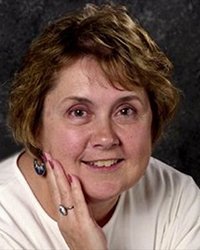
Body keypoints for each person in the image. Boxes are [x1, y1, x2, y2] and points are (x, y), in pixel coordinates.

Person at [0, 3, 199, 250]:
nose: (105, 138)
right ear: (36, 125)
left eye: (125, 111)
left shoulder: (179, 200)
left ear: (153, 121)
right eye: (79, 112)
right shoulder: (4, 222)